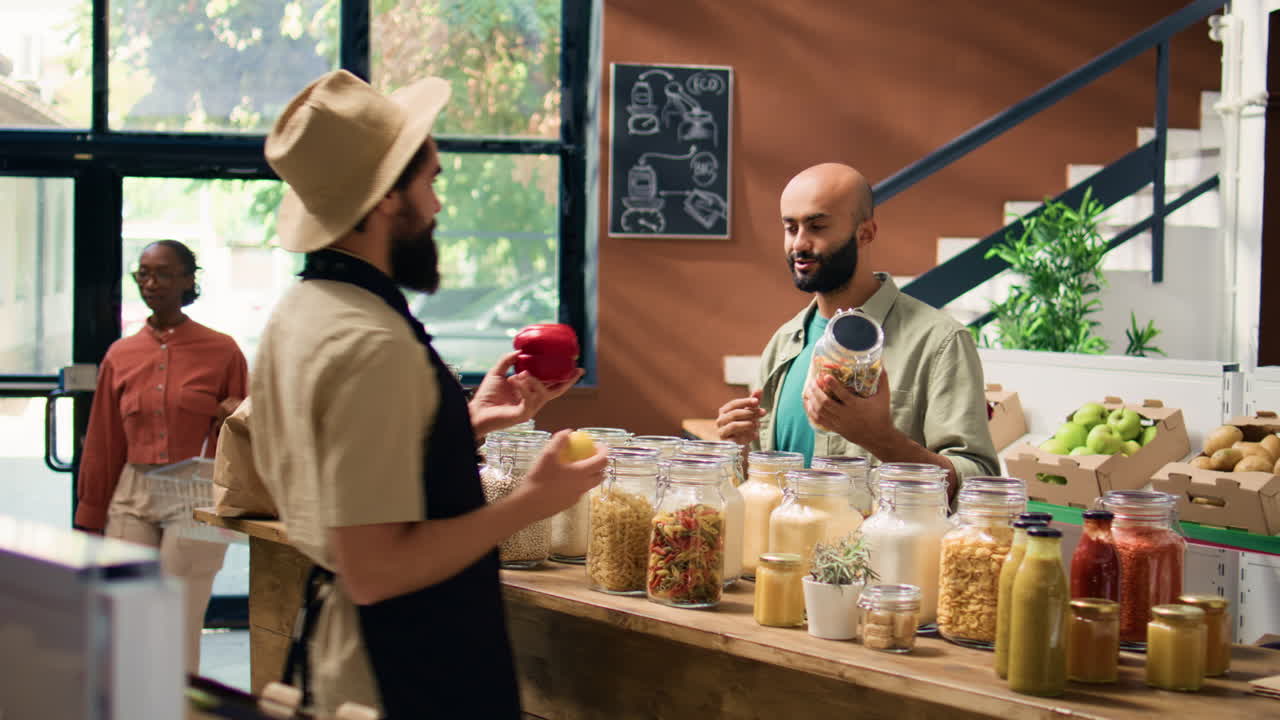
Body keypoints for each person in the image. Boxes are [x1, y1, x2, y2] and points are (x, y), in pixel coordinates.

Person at [253, 70, 606, 718]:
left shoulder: (300, 313)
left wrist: (465, 426)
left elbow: (347, 472)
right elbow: (376, 567)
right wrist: (535, 499)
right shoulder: (372, 344)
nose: (438, 205)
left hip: (342, 652)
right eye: (431, 181)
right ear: (389, 198)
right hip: (401, 670)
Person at [715, 163, 998, 495]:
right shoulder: (783, 344)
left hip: (876, 548)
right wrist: (742, 451)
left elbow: (979, 485)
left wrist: (879, 438)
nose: (799, 245)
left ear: (865, 233)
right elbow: (769, 485)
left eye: (817, 226)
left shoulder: (939, 341)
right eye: (791, 228)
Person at [77, 239, 248, 672]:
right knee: (128, 619)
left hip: (199, 492)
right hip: (133, 490)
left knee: (177, 619)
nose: (151, 283)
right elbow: (104, 442)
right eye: (143, 274)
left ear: (189, 280)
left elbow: (248, 436)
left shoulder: (222, 350)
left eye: (164, 274)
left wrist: (232, 413)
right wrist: (90, 517)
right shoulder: (121, 355)